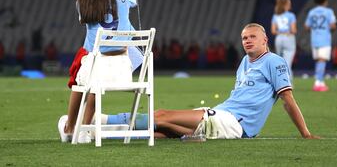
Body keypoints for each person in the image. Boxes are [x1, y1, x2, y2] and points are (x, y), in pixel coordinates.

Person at [104, 23, 318, 140]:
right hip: (223, 114)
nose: (247, 41)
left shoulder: (274, 61)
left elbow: (287, 99)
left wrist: (305, 133)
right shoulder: (245, 61)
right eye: (244, 38)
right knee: (161, 130)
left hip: (234, 122)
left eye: (253, 37)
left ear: (265, 39)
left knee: (160, 115)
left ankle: (101, 120)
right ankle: (99, 132)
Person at [58, 0, 140, 143]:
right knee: (94, 74)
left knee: (81, 78)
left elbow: (83, 21)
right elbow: (134, 2)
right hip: (122, 69)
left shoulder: (82, 2)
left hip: (97, 65)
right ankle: (85, 129)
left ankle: (71, 128)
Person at [304, 0, 337, 92]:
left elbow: (307, 26)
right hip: (324, 39)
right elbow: (333, 25)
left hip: (314, 39)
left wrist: (314, 31)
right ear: (325, 1)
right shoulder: (328, 11)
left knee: (319, 60)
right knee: (322, 60)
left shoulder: (312, 12)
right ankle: (318, 82)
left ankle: (321, 81)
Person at [271, 0, 297, 81]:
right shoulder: (291, 15)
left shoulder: (276, 16)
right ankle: (288, 84)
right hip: (288, 38)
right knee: (287, 63)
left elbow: (273, 31)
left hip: (278, 38)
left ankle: (278, 82)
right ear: (285, 5)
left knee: (279, 63)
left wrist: (280, 32)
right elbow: (293, 30)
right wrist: (288, 32)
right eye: (289, 3)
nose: (290, 5)